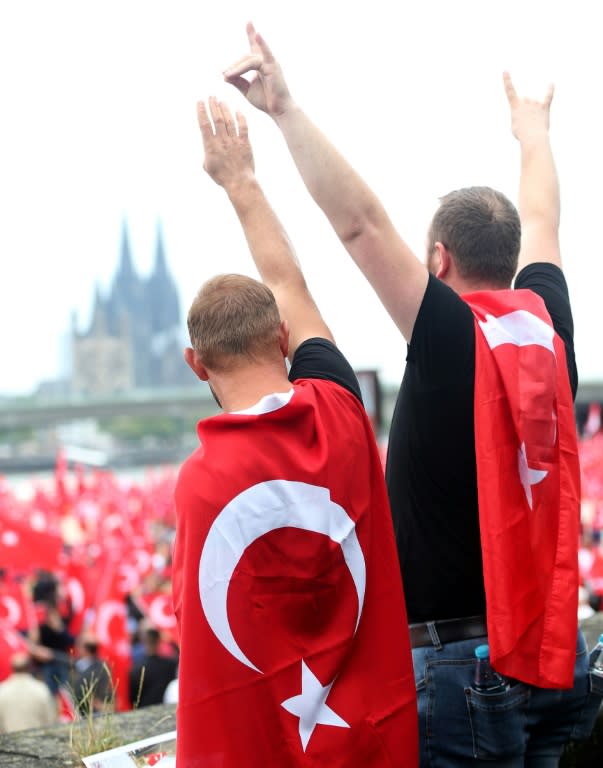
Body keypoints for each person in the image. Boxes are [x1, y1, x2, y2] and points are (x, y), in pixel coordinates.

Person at [223, 24, 602, 766]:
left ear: (439, 259)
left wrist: (285, 110)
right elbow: (545, 219)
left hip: (463, 668)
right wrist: (533, 134)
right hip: (552, 656)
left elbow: (360, 227)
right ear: (513, 261)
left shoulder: (449, 338)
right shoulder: (547, 330)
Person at [171, 97, 417, 766]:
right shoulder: (341, 408)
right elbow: (288, 280)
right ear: (281, 337)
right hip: (370, 741)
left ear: (196, 365)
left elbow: (205, 636)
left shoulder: (199, 482)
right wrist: (241, 180)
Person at [0, 652, 57, 733]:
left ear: (12, 668)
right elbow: (50, 720)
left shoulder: (2, 690)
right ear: (29, 667)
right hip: (37, 741)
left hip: (9, 742)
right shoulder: (41, 689)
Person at [129, 626, 177, 708]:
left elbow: (132, 698)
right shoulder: (168, 665)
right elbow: (181, 655)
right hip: (164, 710)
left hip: (143, 711)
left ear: (144, 642)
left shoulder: (137, 668)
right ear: (159, 641)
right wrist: (170, 640)